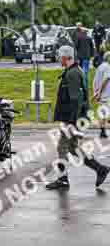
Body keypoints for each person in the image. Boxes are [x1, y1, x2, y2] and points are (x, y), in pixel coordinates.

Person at [46, 45, 110, 191]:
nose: (58, 59)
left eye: (59, 56)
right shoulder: (74, 71)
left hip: (73, 119)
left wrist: (71, 122)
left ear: (65, 57)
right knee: (74, 148)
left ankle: (63, 179)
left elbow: (76, 99)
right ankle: (100, 169)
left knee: (61, 147)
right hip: (76, 118)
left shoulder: (72, 74)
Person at [93, 51, 110, 139]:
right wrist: (99, 93)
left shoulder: (100, 67)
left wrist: (96, 93)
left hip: (101, 94)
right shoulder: (107, 67)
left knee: (103, 112)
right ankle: (102, 131)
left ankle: (102, 131)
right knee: (105, 112)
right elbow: (106, 80)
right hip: (105, 94)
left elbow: (95, 81)